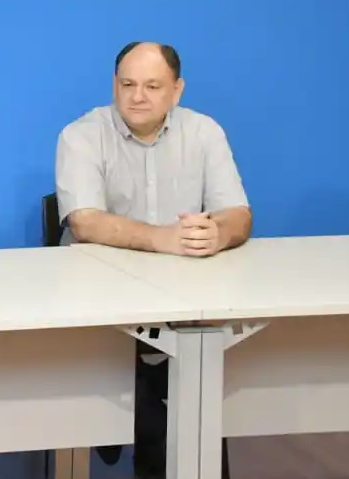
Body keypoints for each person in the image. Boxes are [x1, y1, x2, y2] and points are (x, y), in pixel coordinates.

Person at [55, 40, 251, 479]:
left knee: (199, 414)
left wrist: (218, 233)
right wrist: (160, 238)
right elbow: (85, 222)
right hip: (103, 314)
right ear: (114, 84)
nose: (137, 96)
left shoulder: (204, 132)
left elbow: (238, 214)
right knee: (152, 423)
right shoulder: (81, 135)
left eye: (151, 86)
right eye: (127, 84)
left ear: (176, 90)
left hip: (187, 310)